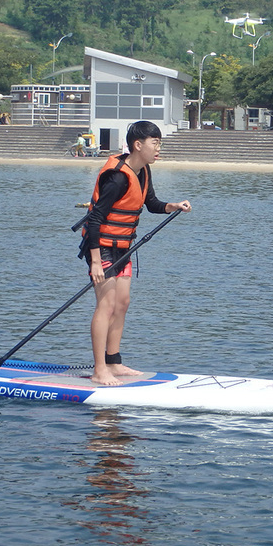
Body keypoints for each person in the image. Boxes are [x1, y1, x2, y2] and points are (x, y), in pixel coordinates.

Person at [80, 121, 191, 386]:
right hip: (101, 248)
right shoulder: (117, 178)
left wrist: (173, 205)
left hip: (123, 247)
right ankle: (99, 370)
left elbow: (151, 203)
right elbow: (94, 219)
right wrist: (95, 262)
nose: (158, 148)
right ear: (138, 145)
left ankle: (113, 362)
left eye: (160, 143)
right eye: (155, 143)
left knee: (122, 303)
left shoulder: (143, 171)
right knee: (106, 305)